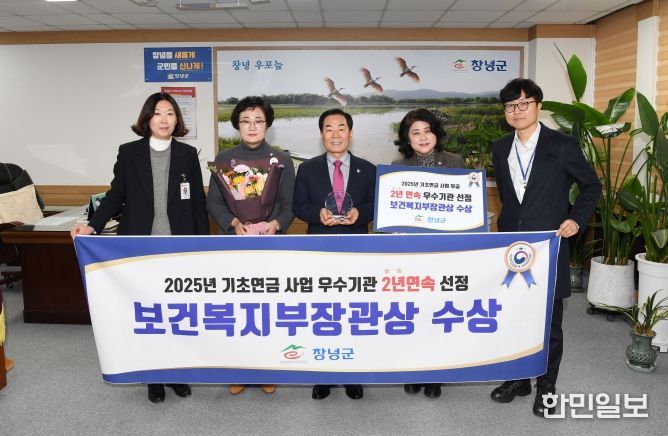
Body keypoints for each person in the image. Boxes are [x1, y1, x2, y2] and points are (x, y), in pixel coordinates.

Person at [71, 92, 209, 404]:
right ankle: (153, 376)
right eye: (158, 113)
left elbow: (198, 203)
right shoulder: (129, 152)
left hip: (178, 246)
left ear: (177, 119)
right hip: (140, 246)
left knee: (176, 313)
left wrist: (202, 245)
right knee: (149, 313)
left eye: (170, 113)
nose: (164, 119)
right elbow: (116, 196)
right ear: (147, 118)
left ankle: (176, 372)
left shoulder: (187, 154)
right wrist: (92, 225)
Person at [489, 78, 601, 417]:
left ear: (538, 106)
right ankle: (519, 379)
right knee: (514, 315)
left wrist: (576, 219)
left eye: (524, 103)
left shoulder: (562, 145)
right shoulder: (500, 148)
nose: (517, 111)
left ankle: (547, 387)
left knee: (549, 323)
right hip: (511, 246)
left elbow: (591, 186)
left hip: (549, 246)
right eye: (510, 105)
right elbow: (510, 197)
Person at [207, 96, 295, 395]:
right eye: (246, 121)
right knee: (235, 308)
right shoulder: (223, 159)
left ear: (267, 125)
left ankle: (267, 369)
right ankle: (239, 370)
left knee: (268, 309)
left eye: (258, 121)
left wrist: (276, 224)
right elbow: (214, 202)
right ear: (237, 125)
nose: (252, 126)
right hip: (234, 242)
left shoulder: (281, 160)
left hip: (270, 244)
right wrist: (233, 222)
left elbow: (289, 204)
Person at [293, 108, 375, 400]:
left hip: (357, 250)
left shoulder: (368, 169)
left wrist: (360, 213)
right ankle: (323, 375)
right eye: (329, 128)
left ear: (350, 133)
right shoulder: (307, 169)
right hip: (320, 250)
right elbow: (298, 206)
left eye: (341, 128)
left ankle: (353, 374)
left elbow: (375, 204)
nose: (336, 134)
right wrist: (317, 213)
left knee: (354, 313)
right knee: (322, 313)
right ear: (321, 134)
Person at [392, 108, 465, 399]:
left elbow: (465, 209)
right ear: (407, 139)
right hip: (412, 254)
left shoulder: (456, 163)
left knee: (439, 312)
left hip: (445, 253)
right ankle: (414, 369)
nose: (423, 138)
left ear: (436, 133)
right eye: (415, 133)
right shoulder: (397, 167)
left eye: (427, 131)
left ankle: (436, 372)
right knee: (413, 312)